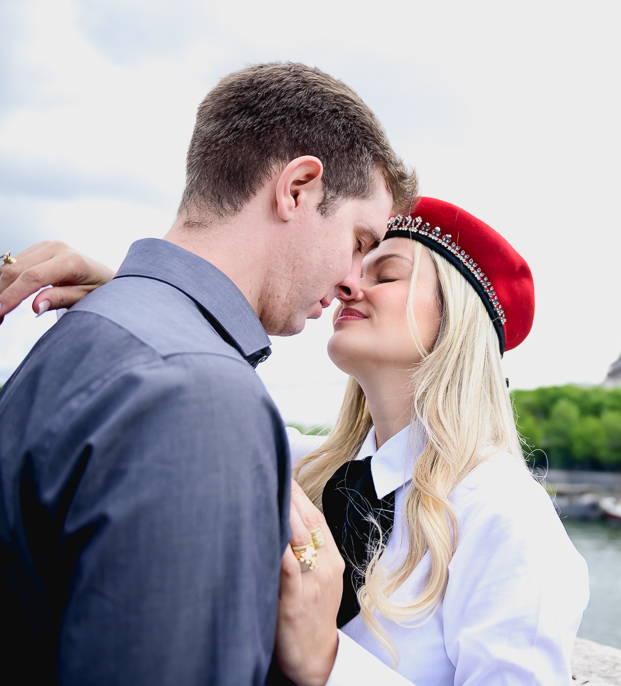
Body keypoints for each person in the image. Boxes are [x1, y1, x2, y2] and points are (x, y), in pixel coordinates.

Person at [3, 198, 591, 685]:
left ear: (456, 324)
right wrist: (134, 292)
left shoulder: (509, 516)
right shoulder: (310, 468)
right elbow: (202, 402)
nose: (347, 286)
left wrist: (330, 664)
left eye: (384, 274)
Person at [0, 62, 415, 685]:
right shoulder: (202, 397)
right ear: (298, 188)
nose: (353, 279)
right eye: (359, 242)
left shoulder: (103, 327)